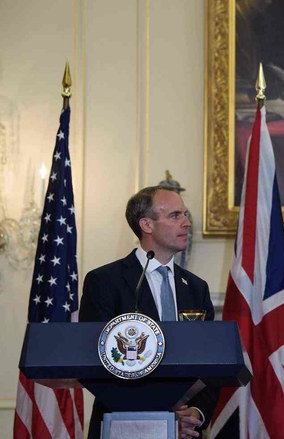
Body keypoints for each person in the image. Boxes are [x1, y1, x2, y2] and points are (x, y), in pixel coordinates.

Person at [79, 186, 215, 439]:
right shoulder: (105, 281)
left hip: (184, 430)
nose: (187, 222)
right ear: (147, 224)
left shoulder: (197, 288)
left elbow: (211, 363)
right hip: (123, 425)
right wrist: (159, 411)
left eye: (185, 214)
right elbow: (95, 361)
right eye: (175, 216)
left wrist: (195, 412)